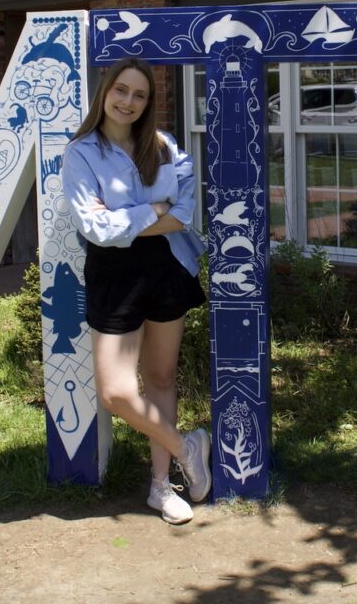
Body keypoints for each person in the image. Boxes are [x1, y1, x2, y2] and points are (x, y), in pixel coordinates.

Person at [61, 57, 212, 524]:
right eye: (121, 90)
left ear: (148, 102)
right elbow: (94, 228)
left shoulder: (164, 146)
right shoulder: (81, 153)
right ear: (105, 91)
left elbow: (183, 213)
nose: (128, 101)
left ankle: (160, 487)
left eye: (139, 94)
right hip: (114, 277)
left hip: (168, 268)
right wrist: (153, 209)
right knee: (117, 391)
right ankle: (187, 446)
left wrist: (126, 217)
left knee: (161, 379)